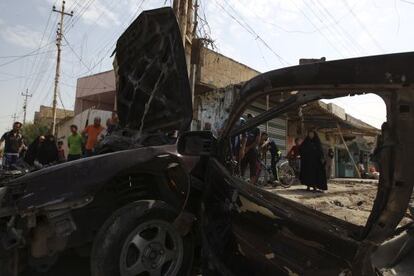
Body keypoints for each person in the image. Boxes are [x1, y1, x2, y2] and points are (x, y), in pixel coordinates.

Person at [240, 115, 261, 185]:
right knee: (241, 168)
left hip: (253, 152)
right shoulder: (245, 128)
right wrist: (243, 148)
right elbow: (241, 138)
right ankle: (241, 184)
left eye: (251, 118)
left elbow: (257, 142)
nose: (249, 120)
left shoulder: (257, 129)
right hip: (244, 151)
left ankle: (251, 186)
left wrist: (248, 148)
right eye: (248, 118)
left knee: (253, 170)